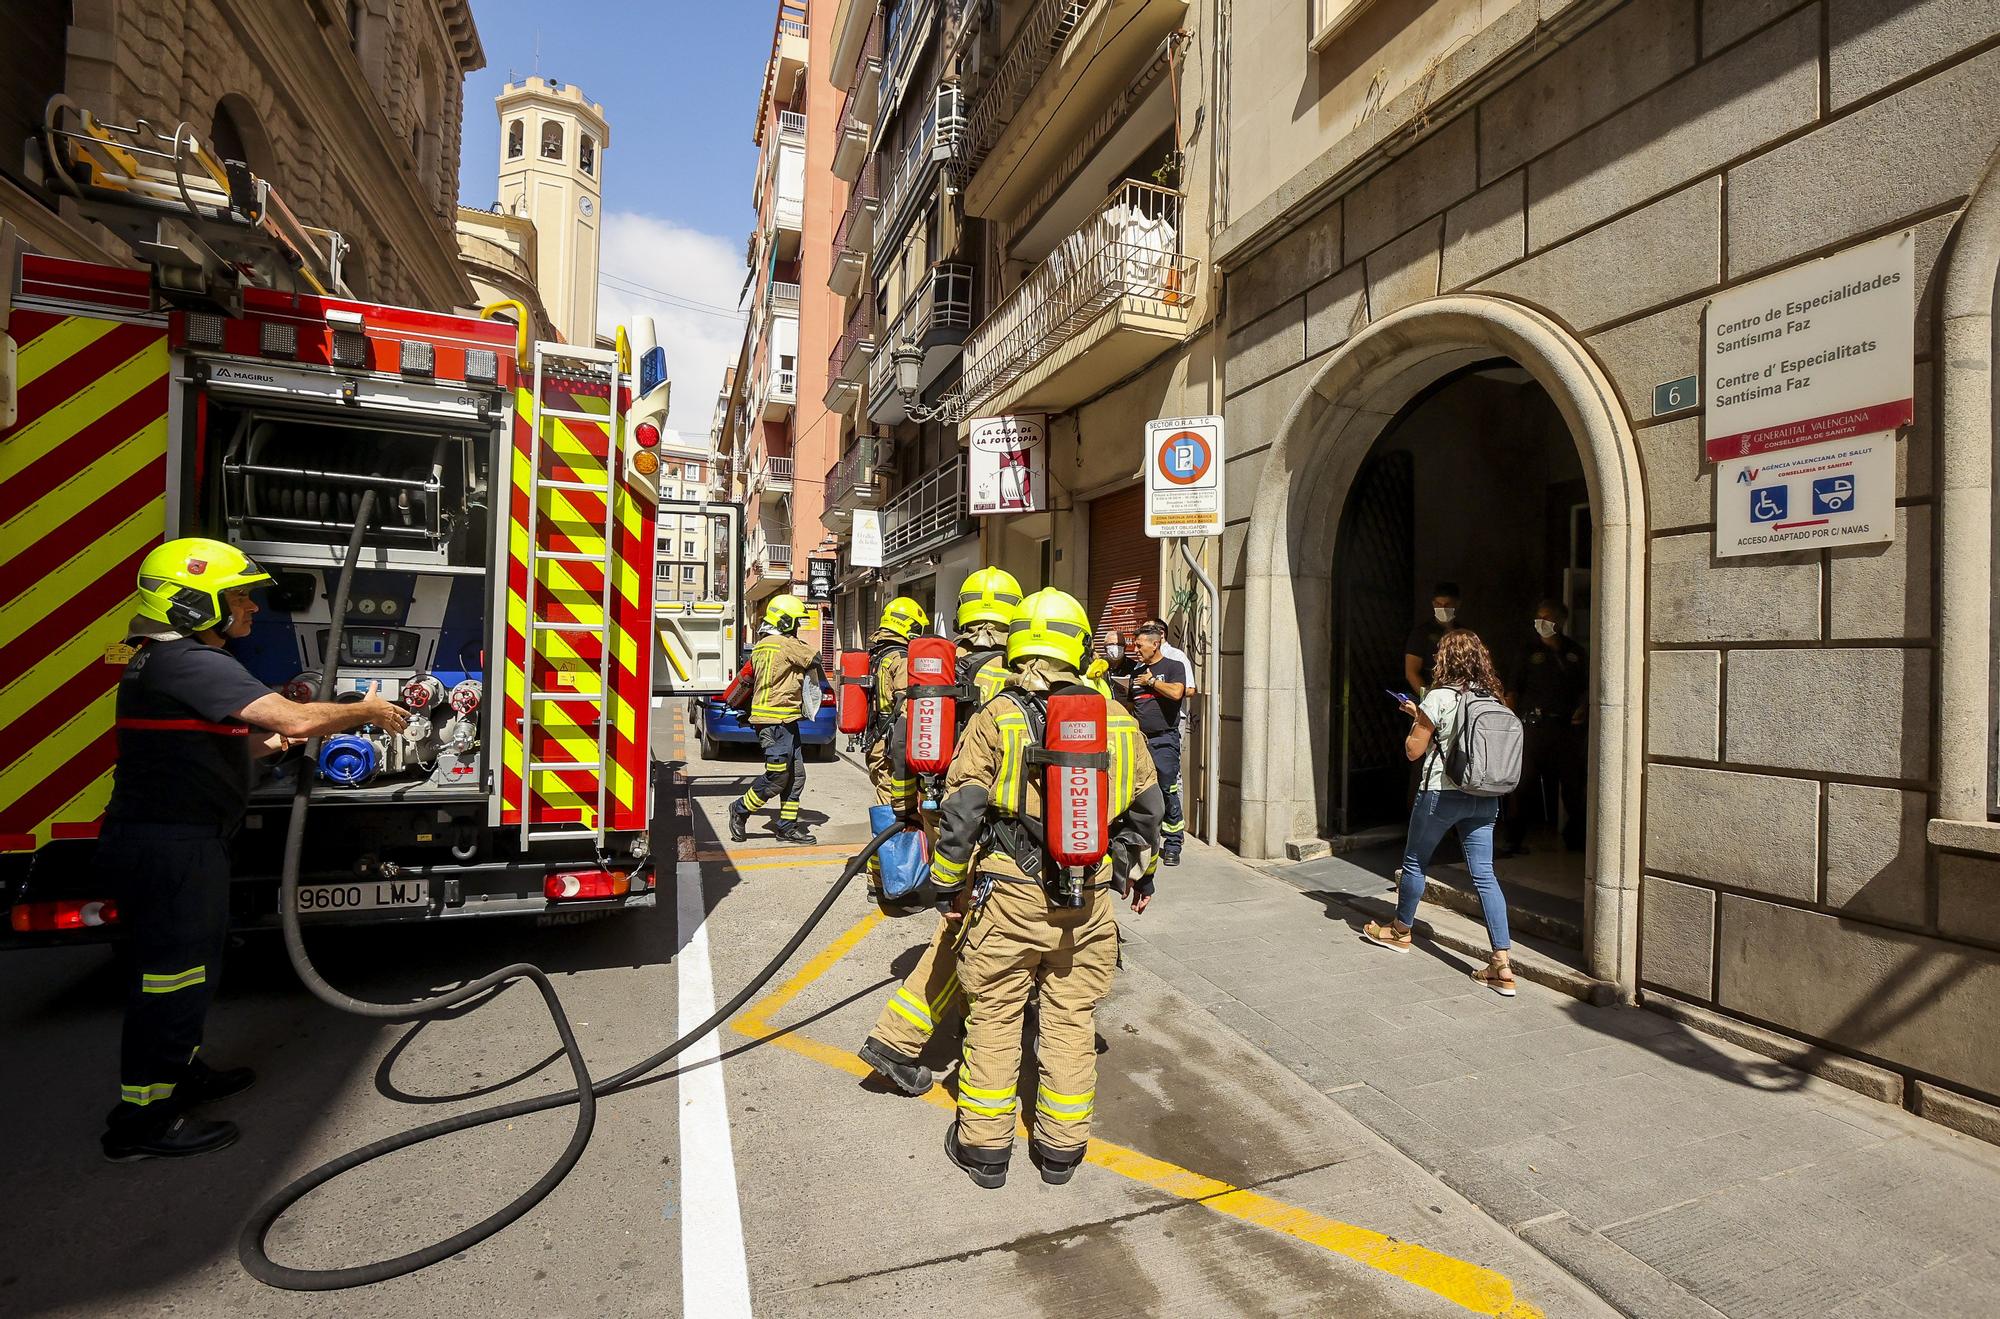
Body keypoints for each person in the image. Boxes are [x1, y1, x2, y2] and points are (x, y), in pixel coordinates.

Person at [100, 538, 411, 1161]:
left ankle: (181, 1073)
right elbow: (291, 720)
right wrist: (366, 710)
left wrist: (278, 748)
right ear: (193, 604)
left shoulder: (163, 665)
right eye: (236, 596)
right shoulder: (192, 663)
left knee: (188, 971)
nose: (248, 608)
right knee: (171, 979)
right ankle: (140, 1119)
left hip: (174, 841)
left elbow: (231, 746)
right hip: (174, 848)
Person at [930, 589, 1164, 1190]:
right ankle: (1061, 1148)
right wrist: (1142, 872)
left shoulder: (999, 715)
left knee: (998, 1012)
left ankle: (985, 1148)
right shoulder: (1115, 717)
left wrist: (947, 885)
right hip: (1089, 897)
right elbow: (1147, 806)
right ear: (1079, 645)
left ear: (1019, 642)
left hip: (1009, 892)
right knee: (1070, 1013)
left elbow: (961, 810)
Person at [857, 567, 1020, 1096]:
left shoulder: (938, 673)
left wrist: (910, 815)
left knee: (968, 921)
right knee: (971, 926)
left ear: (965, 617)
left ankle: (911, 1033)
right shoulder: (1018, 678)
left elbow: (906, 747)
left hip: (941, 812)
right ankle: (896, 1041)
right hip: (993, 826)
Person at [1363, 629, 1517, 997]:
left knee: (1415, 862)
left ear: (1444, 659)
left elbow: (1413, 751)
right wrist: (1425, 718)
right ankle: (1502, 963)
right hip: (1484, 795)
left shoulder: (1439, 696)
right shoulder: (1493, 696)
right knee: (1484, 875)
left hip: (1441, 793)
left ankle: (1400, 932)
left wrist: (1419, 722)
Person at [729, 594, 824, 844]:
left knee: (795, 776)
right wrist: (797, 641)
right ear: (785, 622)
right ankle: (739, 810)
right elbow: (815, 657)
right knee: (778, 776)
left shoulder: (761, 645)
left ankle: (786, 826)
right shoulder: (784, 643)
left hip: (783, 721)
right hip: (774, 722)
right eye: (795, 623)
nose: (797, 629)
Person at [1503, 599, 1588, 856]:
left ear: (1560, 621)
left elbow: (1587, 687)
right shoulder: (1527, 651)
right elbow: (1513, 689)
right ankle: (1514, 840)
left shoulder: (1575, 652)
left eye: (1547, 617)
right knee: (1523, 785)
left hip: (1565, 728)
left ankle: (1576, 839)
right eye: (1538, 617)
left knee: (1573, 785)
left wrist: (1583, 707)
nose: (1541, 622)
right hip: (1533, 727)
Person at [1113, 621, 1188, 866]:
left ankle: (1174, 843)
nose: (1136, 649)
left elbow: (1178, 693)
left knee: (1167, 788)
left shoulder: (1173, 666)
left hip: (1164, 739)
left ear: (1155, 644)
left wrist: (1152, 682)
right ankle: (1144, 840)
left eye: (1140, 645)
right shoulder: (1137, 672)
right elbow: (1132, 705)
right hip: (1140, 740)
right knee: (1140, 790)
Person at [860, 595, 931, 830]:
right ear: (909, 626)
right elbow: (907, 705)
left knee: (885, 801)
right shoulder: (901, 659)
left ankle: (879, 861)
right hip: (889, 747)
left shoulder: (877, 655)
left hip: (875, 740)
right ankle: (884, 863)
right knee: (892, 808)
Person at [1403, 581, 1462, 696]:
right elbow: (1411, 672)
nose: (1443, 608)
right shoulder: (1421, 633)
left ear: (1457, 604)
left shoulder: (1464, 634)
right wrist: (1428, 698)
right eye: (1439, 605)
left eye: (1447, 605)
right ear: (1433, 604)